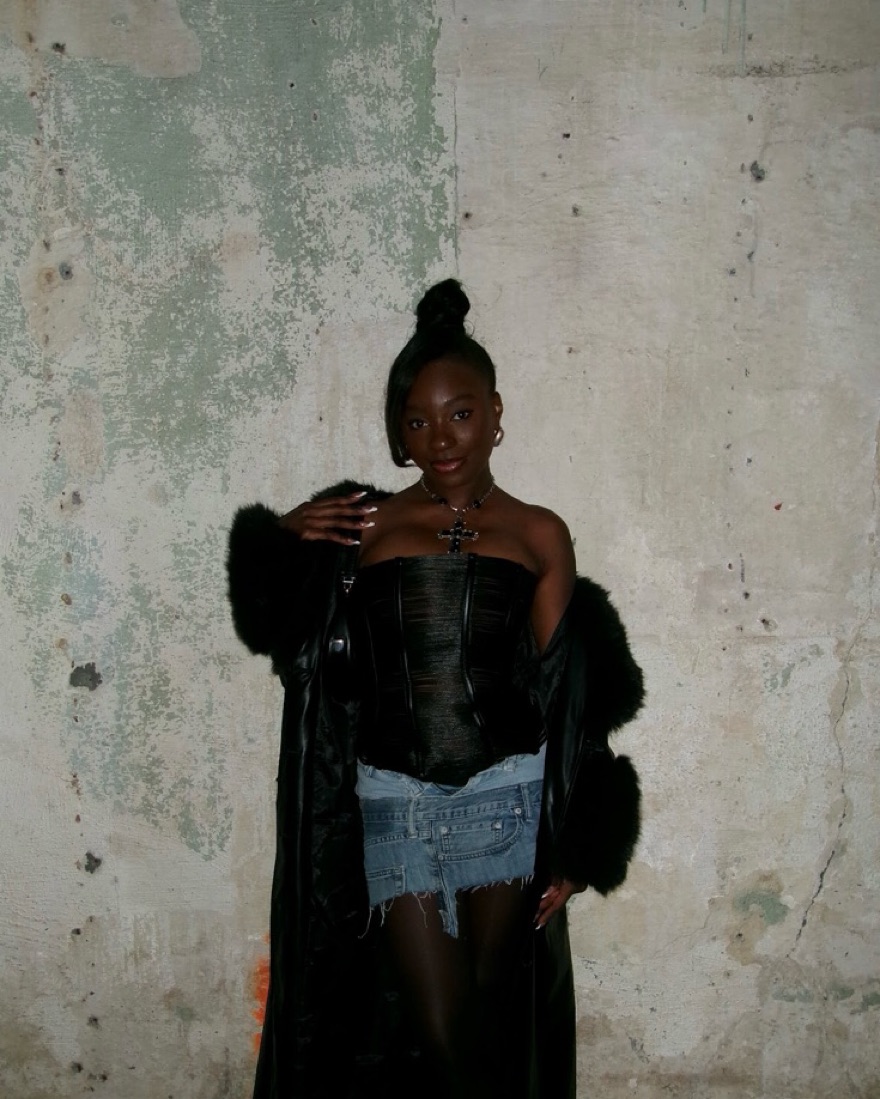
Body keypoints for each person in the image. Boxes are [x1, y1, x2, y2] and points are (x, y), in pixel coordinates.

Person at [227, 279, 645, 1099]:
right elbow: (277, 631)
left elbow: (570, 693)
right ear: (399, 431)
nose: (440, 436)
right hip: (395, 807)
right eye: (417, 420)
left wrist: (579, 842)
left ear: (495, 412)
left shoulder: (539, 531)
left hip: (507, 801)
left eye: (458, 413)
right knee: (443, 1034)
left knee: (490, 1023)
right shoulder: (364, 522)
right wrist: (283, 536)